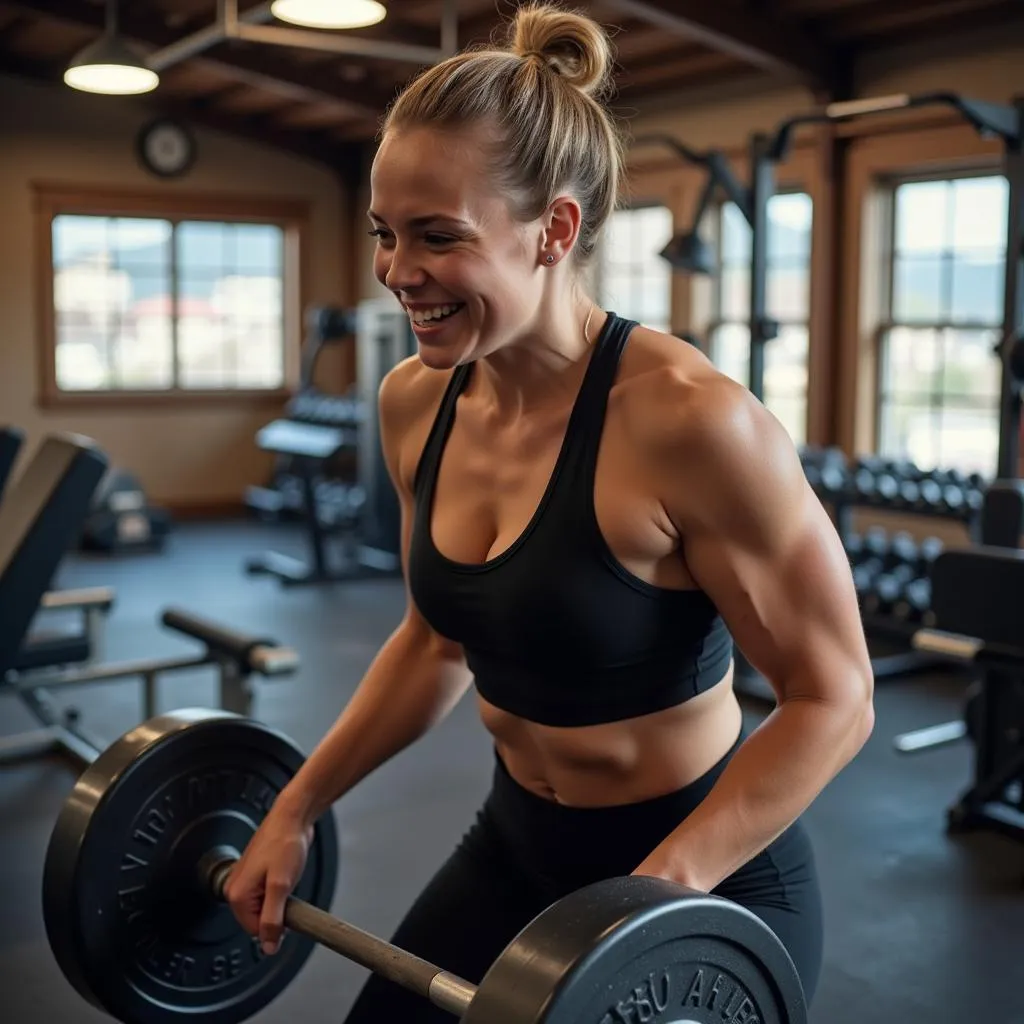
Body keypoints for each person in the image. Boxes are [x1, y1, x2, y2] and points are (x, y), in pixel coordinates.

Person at [224, 3, 875, 1018]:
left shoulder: (692, 423)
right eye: (386, 236)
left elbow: (834, 695)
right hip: (517, 841)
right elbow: (432, 641)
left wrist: (655, 898)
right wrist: (293, 807)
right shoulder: (412, 404)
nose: (399, 272)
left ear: (554, 230)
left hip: (702, 872)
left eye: (438, 237)